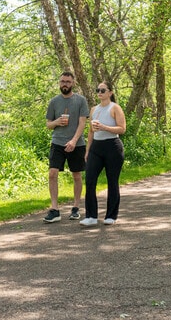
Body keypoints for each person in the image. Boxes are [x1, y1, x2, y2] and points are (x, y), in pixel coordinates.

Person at [43, 71, 89, 223]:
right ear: (59, 83)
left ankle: (75, 208)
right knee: (52, 173)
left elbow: (83, 123)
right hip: (57, 142)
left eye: (68, 82)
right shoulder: (54, 102)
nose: (65, 84)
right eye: (62, 81)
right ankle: (55, 209)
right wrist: (57, 122)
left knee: (76, 175)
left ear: (73, 83)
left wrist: (74, 141)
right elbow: (49, 125)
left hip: (77, 143)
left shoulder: (80, 100)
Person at [80, 81, 126, 226]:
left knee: (112, 181)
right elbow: (90, 131)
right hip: (96, 147)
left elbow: (122, 129)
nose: (99, 92)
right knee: (90, 179)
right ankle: (91, 216)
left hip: (113, 146)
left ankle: (111, 216)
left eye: (103, 90)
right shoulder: (94, 109)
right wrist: (88, 150)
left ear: (110, 92)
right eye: (97, 90)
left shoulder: (115, 108)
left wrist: (104, 127)